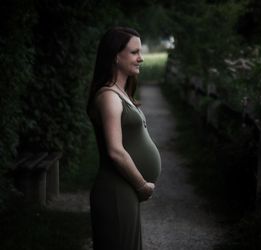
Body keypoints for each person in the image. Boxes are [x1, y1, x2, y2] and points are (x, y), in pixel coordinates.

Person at [86, 27, 162, 250]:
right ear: (116, 56)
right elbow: (115, 151)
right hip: (116, 191)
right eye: (134, 52)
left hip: (123, 190)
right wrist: (141, 186)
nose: (141, 58)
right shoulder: (108, 96)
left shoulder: (121, 92)